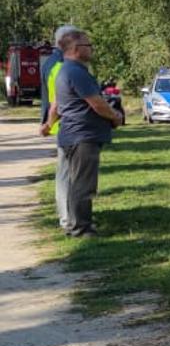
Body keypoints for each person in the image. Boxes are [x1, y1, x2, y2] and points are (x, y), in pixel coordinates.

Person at [48, 28, 122, 237]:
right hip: (82, 135)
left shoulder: (68, 70)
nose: (92, 49)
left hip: (74, 134)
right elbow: (97, 104)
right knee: (83, 185)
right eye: (88, 45)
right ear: (75, 49)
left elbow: (57, 104)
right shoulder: (76, 72)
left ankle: (74, 224)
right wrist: (115, 116)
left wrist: (48, 123)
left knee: (75, 182)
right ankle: (81, 227)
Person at [39, 25, 78, 234]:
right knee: (66, 176)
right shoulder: (60, 66)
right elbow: (59, 101)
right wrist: (49, 123)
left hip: (63, 125)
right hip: (66, 126)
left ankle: (71, 217)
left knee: (68, 174)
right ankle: (68, 219)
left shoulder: (53, 63)